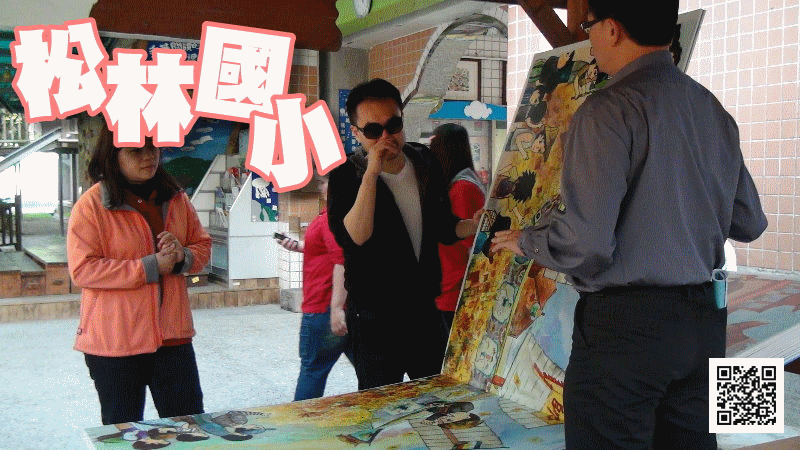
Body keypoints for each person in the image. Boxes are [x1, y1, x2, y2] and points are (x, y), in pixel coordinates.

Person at [490, 1, 767, 448]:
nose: (589, 39)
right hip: (705, 320)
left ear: (613, 29)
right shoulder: (711, 108)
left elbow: (587, 245)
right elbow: (750, 221)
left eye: (588, 27)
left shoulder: (606, 110)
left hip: (627, 328)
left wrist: (529, 240)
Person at [327, 78, 479, 391]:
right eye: (373, 130)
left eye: (393, 125)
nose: (386, 137)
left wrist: (472, 225)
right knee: (380, 406)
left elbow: (442, 225)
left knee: (438, 399)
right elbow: (355, 237)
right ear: (356, 133)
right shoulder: (346, 175)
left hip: (424, 310)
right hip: (374, 318)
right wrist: (372, 172)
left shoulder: (424, 160)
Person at [68, 124, 211, 425]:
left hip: (173, 339)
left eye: (153, 148)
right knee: (125, 433)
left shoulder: (176, 198)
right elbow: (83, 269)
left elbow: (202, 246)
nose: (149, 156)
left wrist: (182, 257)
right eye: (136, 150)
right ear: (113, 155)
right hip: (116, 342)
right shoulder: (91, 206)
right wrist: (149, 267)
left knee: (190, 428)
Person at [274, 175, 353, 401]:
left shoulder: (331, 218)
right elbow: (327, 251)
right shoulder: (338, 216)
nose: (321, 187)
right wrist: (298, 246)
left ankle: (302, 419)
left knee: (313, 371)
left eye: (325, 181)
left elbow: (341, 260)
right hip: (338, 309)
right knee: (371, 370)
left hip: (323, 310)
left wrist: (336, 309)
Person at [428, 123, 486, 327]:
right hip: (451, 287)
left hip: (455, 290)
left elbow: (468, 241)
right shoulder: (463, 183)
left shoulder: (462, 188)